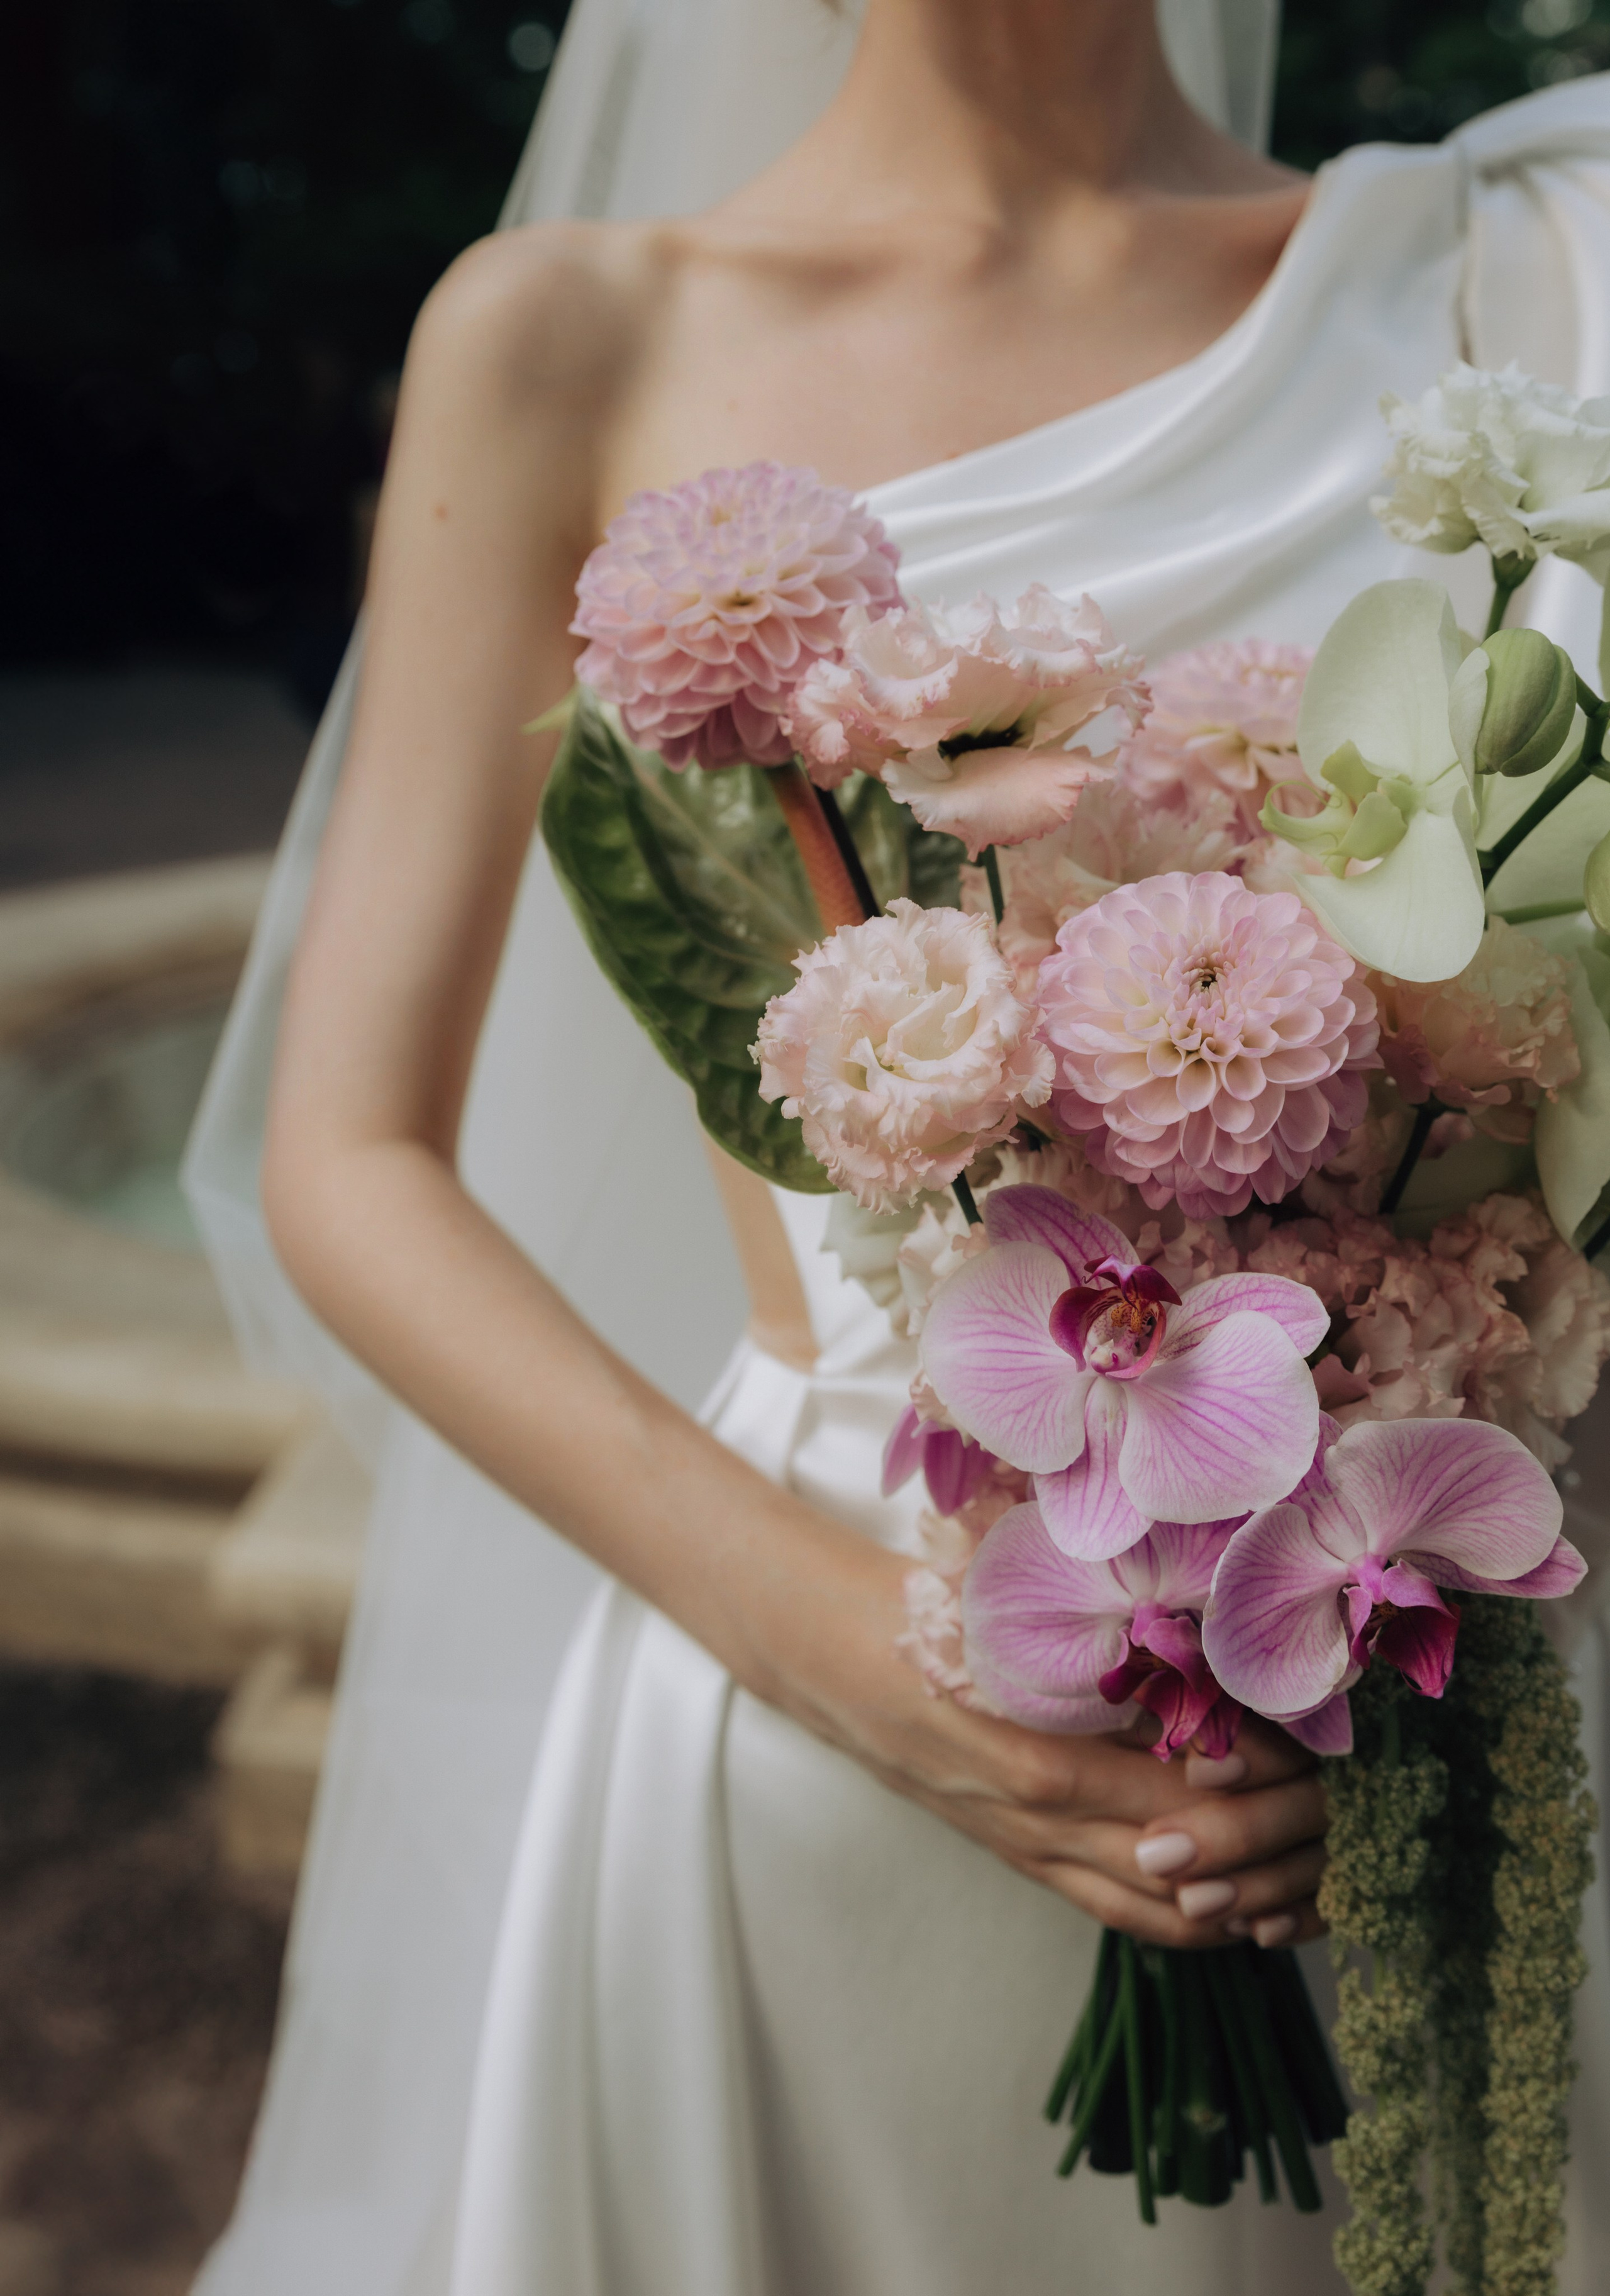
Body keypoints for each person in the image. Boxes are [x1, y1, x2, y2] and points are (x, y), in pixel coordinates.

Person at [187, 4, 1610, 2292]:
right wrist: (858, 1661)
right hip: (834, 1713)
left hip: (1414, 1703)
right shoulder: (568, 333)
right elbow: (346, 1158)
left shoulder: (1504, 276)